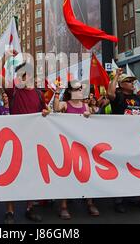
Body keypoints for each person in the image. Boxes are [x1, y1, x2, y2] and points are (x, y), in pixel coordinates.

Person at [3, 62, 50, 224]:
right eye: (18, 75)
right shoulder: (13, 91)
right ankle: (10, 211)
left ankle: (30, 208)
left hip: (33, 141)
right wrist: (9, 59)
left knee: (30, 174)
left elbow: (46, 111)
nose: (20, 77)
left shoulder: (38, 94)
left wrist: (45, 112)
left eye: (23, 74)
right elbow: (0, 78)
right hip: (14, 140)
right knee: (12, 174)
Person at [107, 69, 140, 213]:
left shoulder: (137, 98)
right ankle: (118, 200)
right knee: (120, 169)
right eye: (128, 81)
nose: (132, 83)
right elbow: (109, 94)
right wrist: (117, 77)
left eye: (133, 81)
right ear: (121, 85)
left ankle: (135, 199)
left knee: (135, 167)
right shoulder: (118, 97)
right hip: (120, 138)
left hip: (136, 138)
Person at [53, 80, 99, 220]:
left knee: (88, 173)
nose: (80, 90)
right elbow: (55, 108)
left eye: (81, 88)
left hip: (84, 145)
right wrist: (56, 93)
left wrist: (90, 115)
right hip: (68, 145)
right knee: (67, 174)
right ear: (69, 91)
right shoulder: (65, 105)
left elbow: (96, 117)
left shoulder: (86, 105)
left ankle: (90, 203)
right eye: (76, 88)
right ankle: (64, 206)